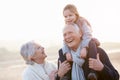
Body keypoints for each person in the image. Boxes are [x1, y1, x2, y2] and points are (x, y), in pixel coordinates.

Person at [62, 4, 99, 80]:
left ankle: (93, 72)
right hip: (75, 46)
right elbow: (64, 41)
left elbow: (87, 34)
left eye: (70, 15)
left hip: (86, 41)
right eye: (65, 17)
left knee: (92, 43)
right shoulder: (67, 26)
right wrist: (67, 52)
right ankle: (66, 75)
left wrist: (84, 47)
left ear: (76, 14)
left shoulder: (82, 22)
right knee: (61, 50)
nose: (68, 18)